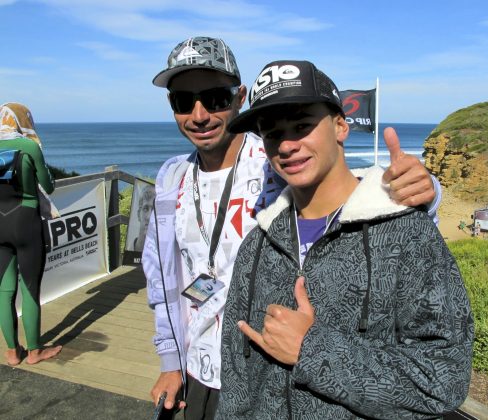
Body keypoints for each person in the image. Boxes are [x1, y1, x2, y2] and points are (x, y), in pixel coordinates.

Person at [142, 36, 443, 418]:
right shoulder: (172, 178)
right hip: (198, 369)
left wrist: (423, 189)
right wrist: (171, 362)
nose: (199, 115)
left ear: (240, 98)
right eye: (184, 102)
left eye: (216, 97)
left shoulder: (278, 156)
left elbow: (353, 192)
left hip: (270, 374)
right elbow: (162, 277)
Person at [215, 60, 474, 418]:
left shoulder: (406, 233)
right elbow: (236, 379)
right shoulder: (257, 244)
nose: (286, 146)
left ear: (340, 126)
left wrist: (312, 349)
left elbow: (444, 379)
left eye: (302, 125)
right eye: (273, 133)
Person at [0, 102, 63, 365]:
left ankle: (13, 352)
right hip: (26, 221)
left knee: (4, 291)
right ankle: (35, 351)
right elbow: (48, 184)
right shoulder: (29, 147)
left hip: (0, 223)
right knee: (30, 289)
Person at [128, 184, 155, 252]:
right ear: (138, 214)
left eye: (154, 210)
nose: (149, 217)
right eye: (145, 209)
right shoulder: (128, 252)